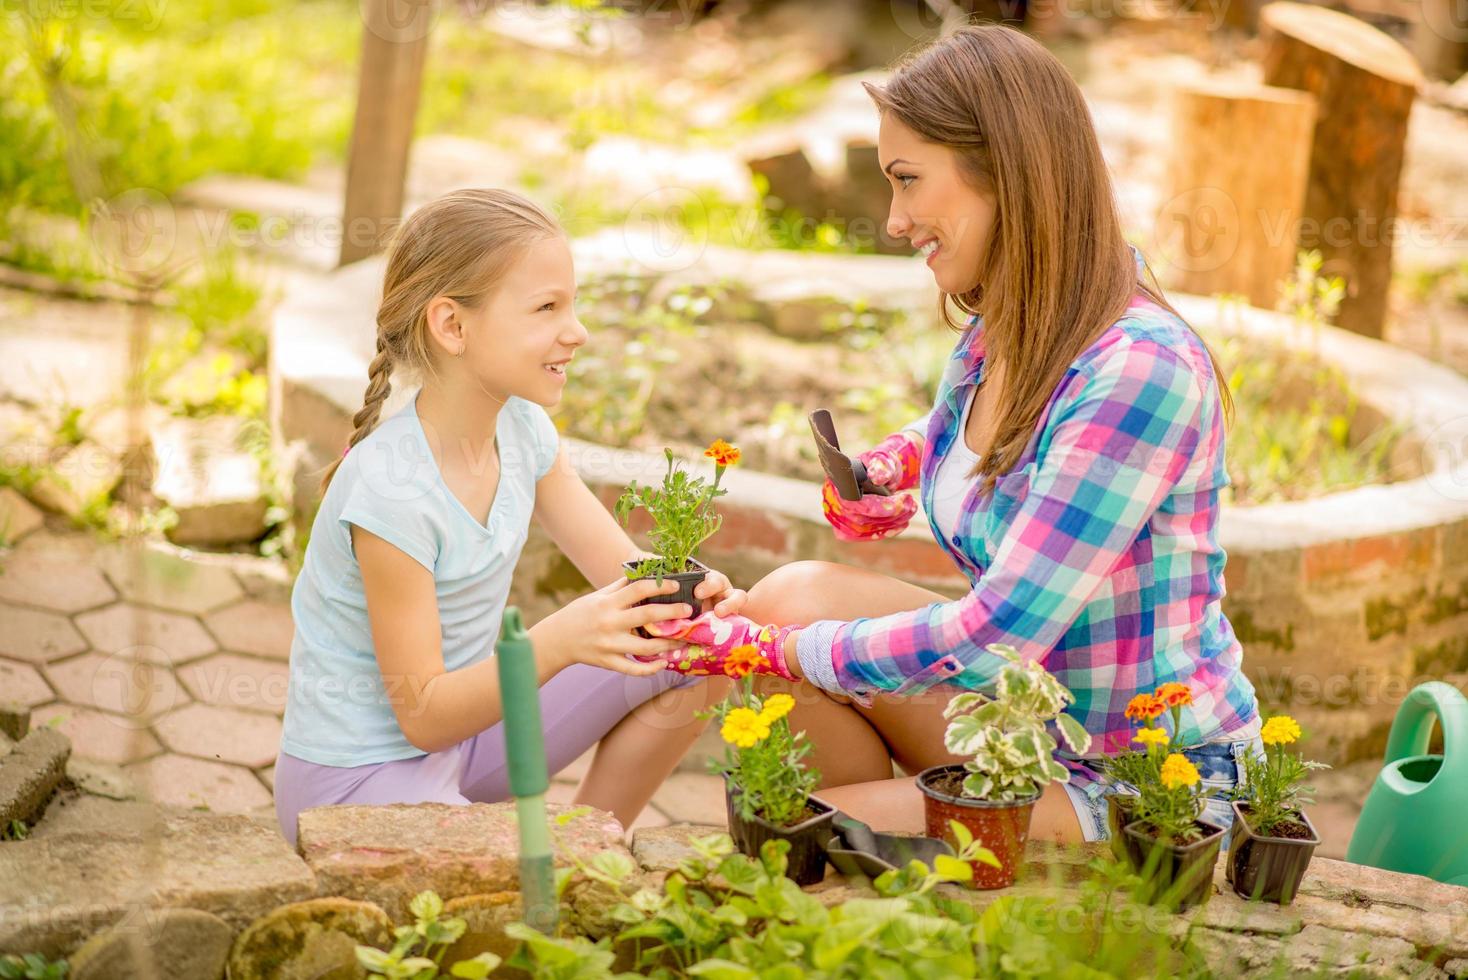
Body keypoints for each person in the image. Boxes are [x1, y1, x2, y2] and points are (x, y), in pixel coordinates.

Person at [641, 25, 1263, 845]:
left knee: (793, 831)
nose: (895, 220)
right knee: (792, 594)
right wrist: (897, 464)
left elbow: (995, 638)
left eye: (907, 181)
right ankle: (891, 871)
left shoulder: (1141, 372)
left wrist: (773, 651)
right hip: (1028, 720)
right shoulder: (1011, 321)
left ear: (1005, 173)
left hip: (1143, 779)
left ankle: (864, 849)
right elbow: (978, 431)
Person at [273, 189, 737, 846]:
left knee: (699, 649)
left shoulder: (524, 430)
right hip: (358, 782)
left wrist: (689, 596)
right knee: (504, 891)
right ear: (452, 326)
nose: (576, 331)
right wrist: (557, 639)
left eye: (570, 304)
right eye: (547, 307)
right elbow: (424, 717)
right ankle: (557, 867)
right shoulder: (390, 489)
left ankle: (592, 850)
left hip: (468, 748)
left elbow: (627, 575)